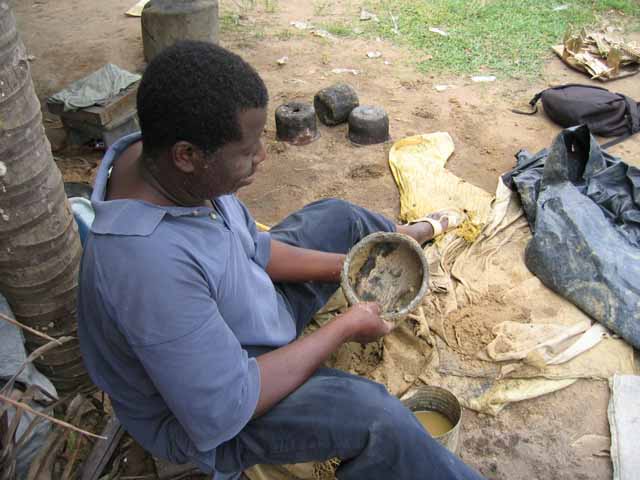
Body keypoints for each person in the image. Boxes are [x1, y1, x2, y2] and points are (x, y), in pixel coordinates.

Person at [78, 41, 483, 479]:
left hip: (248, 309)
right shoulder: (146, 268)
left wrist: (348, 267)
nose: (263, 157)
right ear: (187, 156)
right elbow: (225, 407)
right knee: (378, 419)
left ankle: (402, 238)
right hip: (222, 406)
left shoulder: (165, 166)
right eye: (248, 151)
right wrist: (344, 327)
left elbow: (254, 248)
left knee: (339, 217)